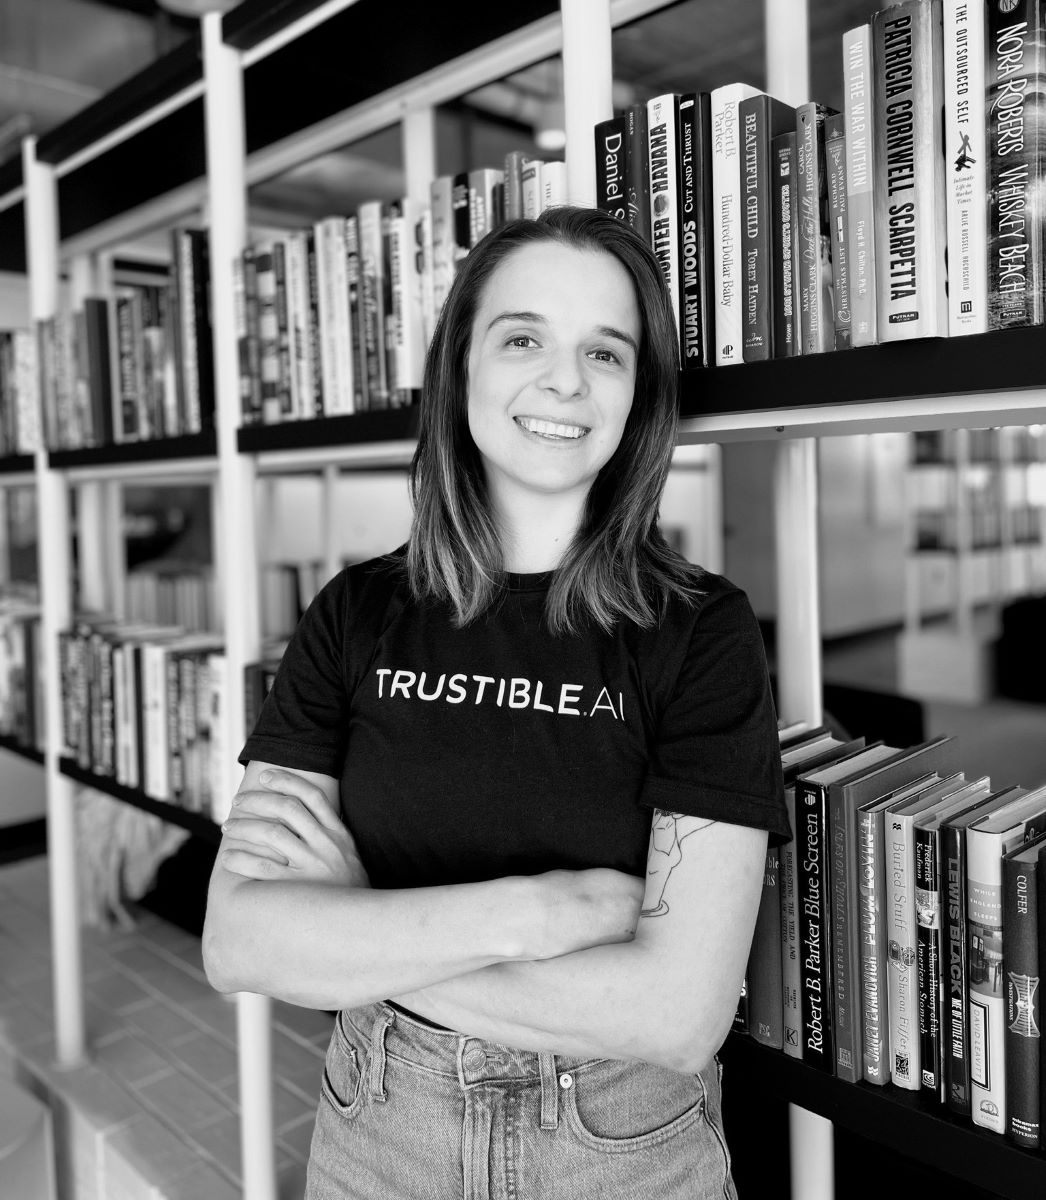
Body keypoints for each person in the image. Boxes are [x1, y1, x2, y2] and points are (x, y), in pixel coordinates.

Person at [202, 204, 790, 1200]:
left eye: (604, 353)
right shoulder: (355, 612)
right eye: (523, 337)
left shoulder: (701, 632)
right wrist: (547, 911)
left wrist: (353, 931)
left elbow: (676, 1016)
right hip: (376, 1125)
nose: (563, 379)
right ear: (461, 366)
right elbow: (240, 940)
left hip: (621, 1138)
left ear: (635, 396)